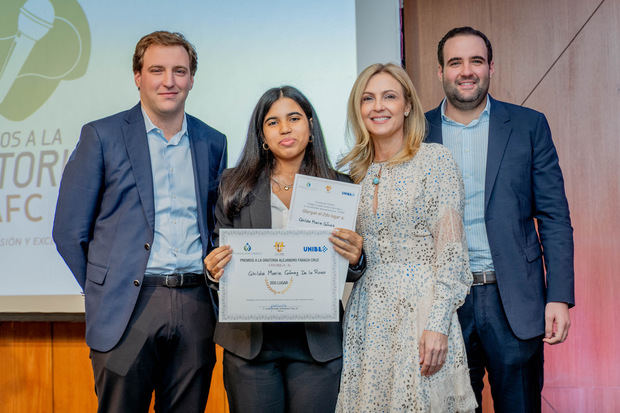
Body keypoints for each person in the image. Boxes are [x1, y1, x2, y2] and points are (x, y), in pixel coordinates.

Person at [52, 31, 227, 412]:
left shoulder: (212, 141)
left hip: (196, 301)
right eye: (157, 70)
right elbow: (69, 230)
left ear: (192, 79)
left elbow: (216, 225)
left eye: (180, 71)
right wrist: (105, 285)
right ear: (138, 76)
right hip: (127, 307)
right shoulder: (102, 135)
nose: (169, 81)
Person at [425, 26, 575, 412]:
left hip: (514, 299)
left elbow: (555, 215)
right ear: (440, 71)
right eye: (455, 62)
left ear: (492, 67)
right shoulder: (417, 133)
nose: (466, 70)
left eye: (476, 60)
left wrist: (558, 295)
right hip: (442, 302)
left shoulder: (529, 126)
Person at [203, 85, 365, 413]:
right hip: (250, 346)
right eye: (272, 122)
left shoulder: (340, 188)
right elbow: (218, 262)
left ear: (310, 127)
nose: (285, 128)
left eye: (293, 118)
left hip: (316, 343)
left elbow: (350, 267)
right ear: (262, 135)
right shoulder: (233, 186)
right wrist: (214, 269)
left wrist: (356, 256)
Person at [335, 63, 477, 412]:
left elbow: (452, 255)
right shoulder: (351, 174)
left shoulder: (435, 161)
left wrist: (438, 324)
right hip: (367, 316)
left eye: (389, 97)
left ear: (408, 105)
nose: (378, 106)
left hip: (422, 312)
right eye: (368, 98)